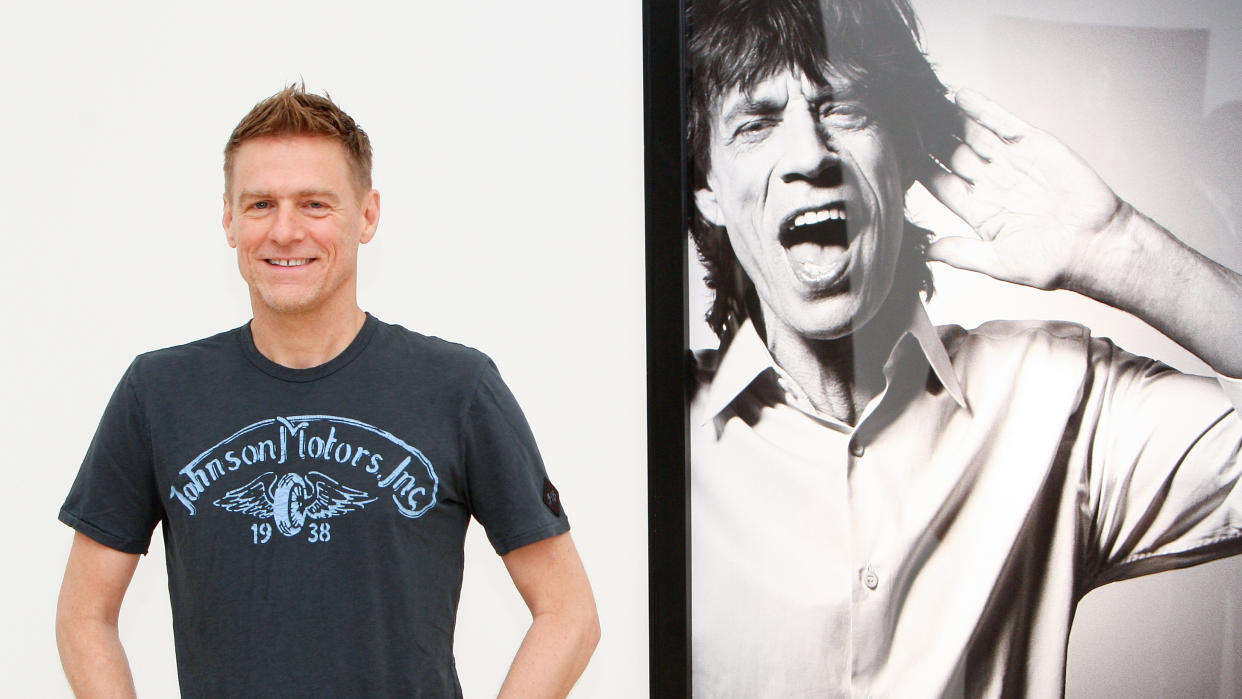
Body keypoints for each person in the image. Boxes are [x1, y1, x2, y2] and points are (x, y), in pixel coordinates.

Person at [686, 0, 1242, 695]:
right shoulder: (647, 438)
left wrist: (1121, 249)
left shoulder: (1053, 397)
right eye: (757, 123)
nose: (808, 156)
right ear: (707, 186)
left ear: (904, 152)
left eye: (844, 107)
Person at [55, 85, 599, 698]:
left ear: (367, 215)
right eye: (260, 204)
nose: (285, 231)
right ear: (229, 219)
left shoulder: (458, 388)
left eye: (315, 204)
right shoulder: (157, 394)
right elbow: (84, 615)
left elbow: (568, 613)